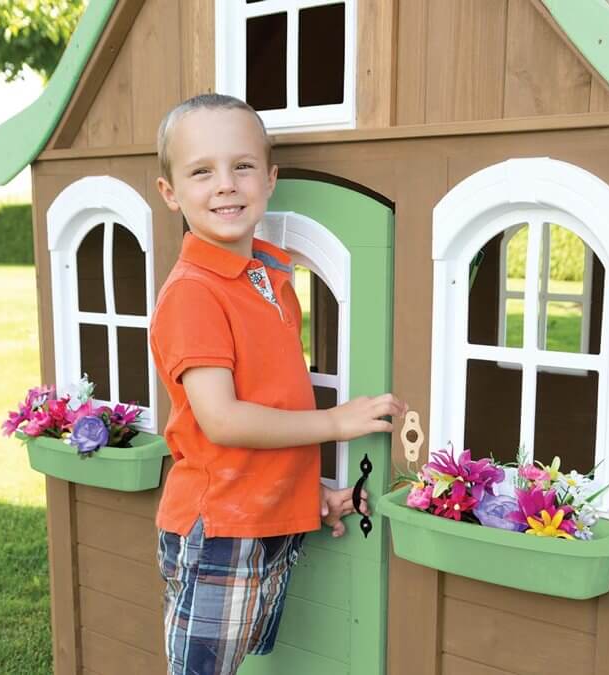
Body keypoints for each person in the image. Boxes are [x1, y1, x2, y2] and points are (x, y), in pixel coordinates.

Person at [149, 93, 407, 675]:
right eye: (201, 171)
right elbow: (223, 420)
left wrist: (304, 495)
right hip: (222, 527)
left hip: (266, 518)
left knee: (238, 661)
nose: (226, 185)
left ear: (269, 178)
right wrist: (335, 421)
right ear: (171, 192)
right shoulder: (194, 292)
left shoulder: (267, 278)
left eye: (242, 166)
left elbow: (273, 397)